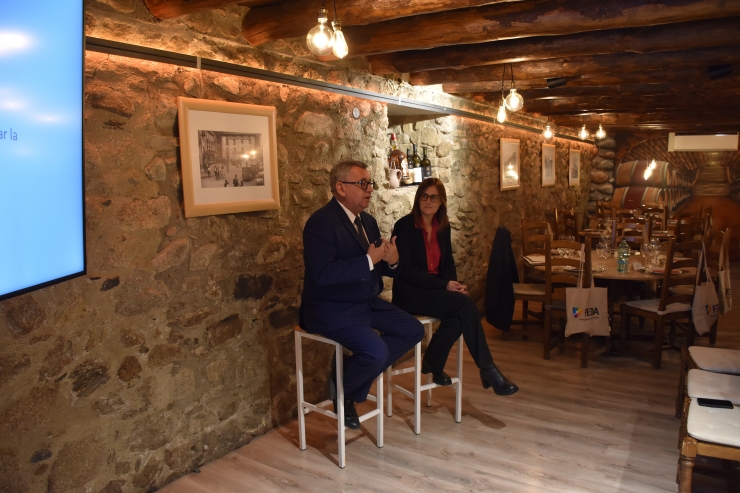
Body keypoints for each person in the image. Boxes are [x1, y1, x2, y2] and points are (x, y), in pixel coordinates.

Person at [300, 160, 424, 429]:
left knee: (412, 330)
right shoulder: (320, 223)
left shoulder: (367, 221)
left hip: (365, 301)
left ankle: (348, 382)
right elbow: (322, 276)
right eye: (363, 183)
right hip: (331, 307)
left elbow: (381, 265)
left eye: (370, 183)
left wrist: (392, 260)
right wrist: (368, 261)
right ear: (340, 188)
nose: (370, 189)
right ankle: (349, 396)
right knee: (376, 352)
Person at [392, 177, 518, 396]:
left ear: (441, 202)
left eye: (434, 197)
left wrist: (453, 285)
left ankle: (433, 361)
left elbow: (448, 262)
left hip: (434, 291)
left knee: (459, 315)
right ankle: (487, 369)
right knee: (465, 308)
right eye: (424, 196)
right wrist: (445, 286)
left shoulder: (443, 227)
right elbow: (407, 271)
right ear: (418, 198)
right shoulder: (404, 226)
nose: (428, 201)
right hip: (410, 293)